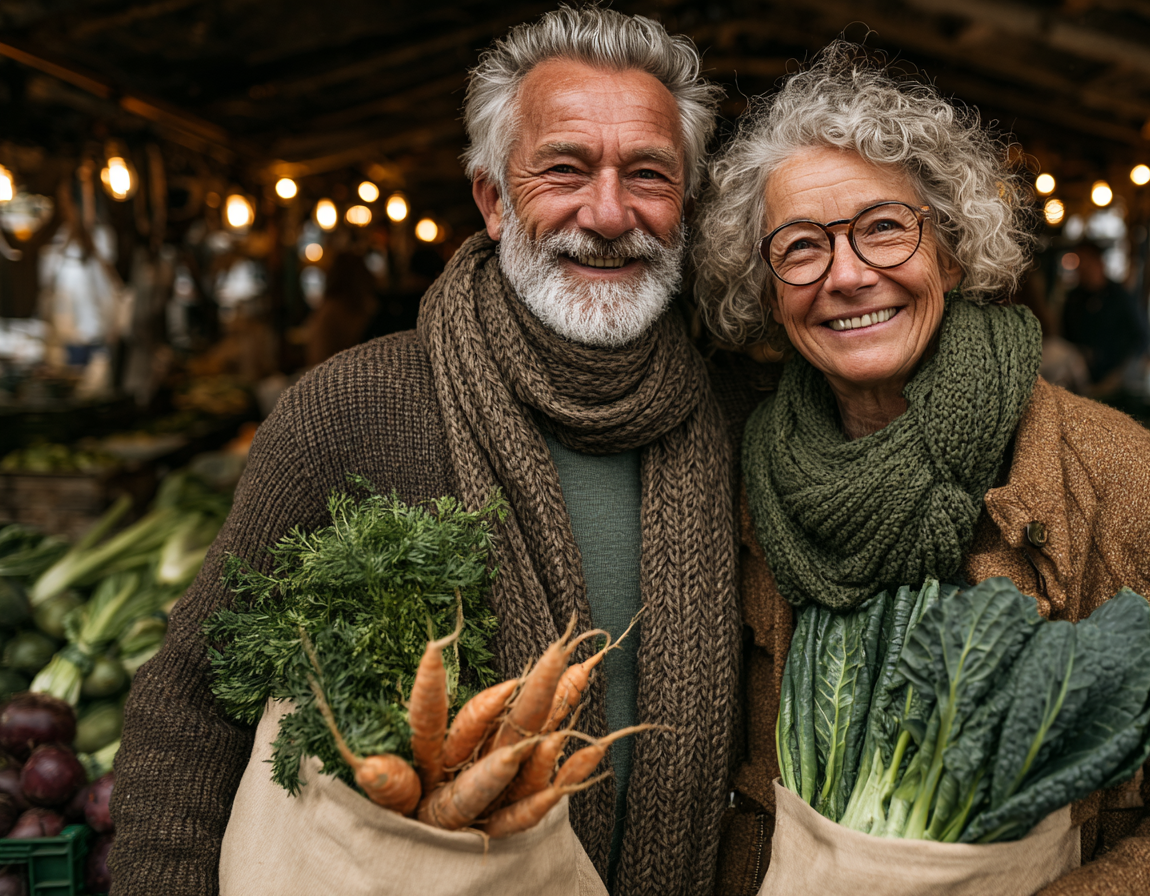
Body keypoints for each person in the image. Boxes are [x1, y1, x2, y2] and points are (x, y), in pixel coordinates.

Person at [109, 9, 751, 896]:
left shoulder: (740, 413)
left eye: (647, 174)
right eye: (563, 169)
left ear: (685, 203)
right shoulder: (354, 408)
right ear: (492, 199)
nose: (608, 214)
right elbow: (189, 706)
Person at [693, 44, 1150, 896]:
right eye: (800, 247)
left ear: (949, 250)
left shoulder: (1117, 478)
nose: (846, 275)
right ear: (766, 287)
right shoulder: (737, 476)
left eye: (883, 228)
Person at [1060, 240, 1147, 393]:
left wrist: (1119, 375)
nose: (1080, 268)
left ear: (1099, 262)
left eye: (1084, 261)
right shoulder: (1074, 299)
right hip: (1081, 381)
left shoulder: (1120, 297)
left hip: (1117, 382)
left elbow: (1139, 339)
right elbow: (1065, 338)